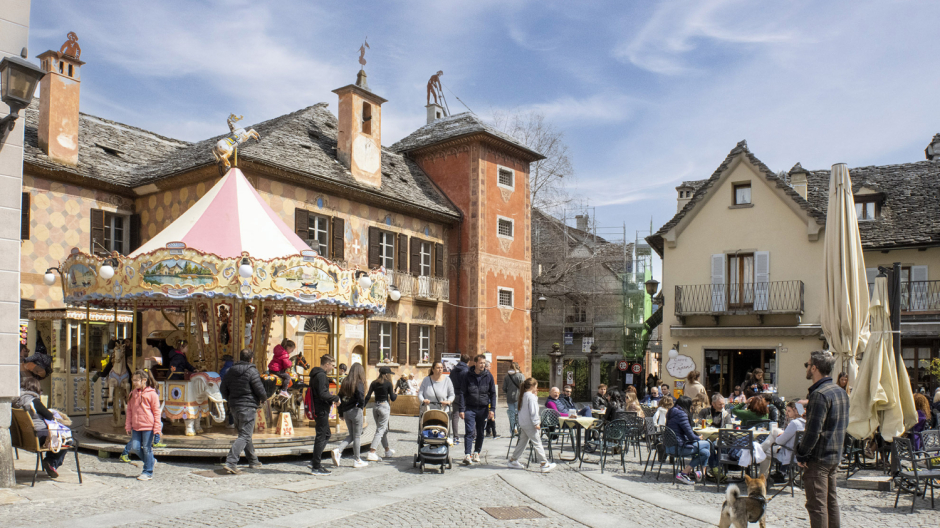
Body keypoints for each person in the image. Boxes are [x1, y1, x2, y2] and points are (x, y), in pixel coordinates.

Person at [795, 351, 849, 528]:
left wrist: (801, 454)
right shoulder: (840, 392)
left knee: (817, 506)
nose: (807, 367)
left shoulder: (819, 394)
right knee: (830, 503)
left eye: (807, 364)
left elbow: (813, 432)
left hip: (819, 458)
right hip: (834, 456)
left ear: (815, 368)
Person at [220, 348, 267, 474]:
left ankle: (253, 460)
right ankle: (231, 462)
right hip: (248, 406)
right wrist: (263, 398)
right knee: (245, 435)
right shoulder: (252, 371)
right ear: (251, 359)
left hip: (234, 406)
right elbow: (260, 389)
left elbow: (223, 388)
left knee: (245, 433)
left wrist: (229, 399)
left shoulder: (230, 371)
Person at [13, 377, 67, 478]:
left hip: (25, 437)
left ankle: (50, 462)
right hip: (38, 436)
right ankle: (51, 462)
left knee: (57, 435)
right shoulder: (34, 401)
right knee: (66, 439)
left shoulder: (15, 401)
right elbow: (49, 416)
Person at [507, 378, 556, 473]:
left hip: (524, 423)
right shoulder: (531, 397)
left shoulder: (523, 395)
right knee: (537, 442)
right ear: (533, 386)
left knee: (522, 442)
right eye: (536, 386)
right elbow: (533, 411)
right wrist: (536, 423)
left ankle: (513, 460)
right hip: (530, 423)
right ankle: (544, 463)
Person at [122, 369, 161, 480]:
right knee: (135, 447)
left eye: (136, 380)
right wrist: (128, 425)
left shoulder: (152, 394)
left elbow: (156, 412)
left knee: (147, 448)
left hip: (148, 426)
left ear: (144, 380)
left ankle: (147, 472)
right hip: (136, 426)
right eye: (133, 380)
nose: (134, 382)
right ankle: (151, 461)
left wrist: (157, 428)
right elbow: (129, 410)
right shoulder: (132, 394)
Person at [458, 354, 496, 465]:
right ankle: (467, 455)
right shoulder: (467, 375)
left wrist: (492, 409)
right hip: (470, 408)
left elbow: (493, 394)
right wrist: (461, 409)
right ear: (475, 363)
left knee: (480, 432)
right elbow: (462, 392)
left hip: (483, 409)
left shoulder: (489, 376)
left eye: (484, 363)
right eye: (480, 363)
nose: (482, 365)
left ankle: (476, 452)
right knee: (469, 432)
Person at [665, 395, 710, 485]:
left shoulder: (671, 412)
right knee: (708, 444)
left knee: (705, 452)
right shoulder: (682, 414)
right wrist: (699, 438)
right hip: (678, 447)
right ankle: (701, 473)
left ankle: (687, 472)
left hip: (669, 446)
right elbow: (691, 436)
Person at [309, 354, 341, 475]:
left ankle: (315, 461)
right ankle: (316, 466)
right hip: (321, 409)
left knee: (327, 434)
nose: (333, 368)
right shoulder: (321, 375)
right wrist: (335, 398)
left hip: (319, 408)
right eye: (332, 365)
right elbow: (322, 394)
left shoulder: (315, 374)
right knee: (321, 436)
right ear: (326, 364)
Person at [332, 363, 367, 468]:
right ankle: (357, 459)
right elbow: (361, 396)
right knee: (357, 436)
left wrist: (341, 412)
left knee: (352, 435)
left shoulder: (345, 381)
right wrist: (361, 406)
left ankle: (338, 450)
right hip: (355, 411)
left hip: (346, 412)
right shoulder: (359, 382)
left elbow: (339, 397)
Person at [763, 401, 806, 483]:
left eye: (789, 411)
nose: (786, 413)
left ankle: (762, 478)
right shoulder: (806, 422)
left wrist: (779, 436)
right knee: (774, 435)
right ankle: (780, 473)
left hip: (790, 453)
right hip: (799, 453)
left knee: (765, 452)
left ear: (796, 411)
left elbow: (780, 441)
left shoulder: (794, 423)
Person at [364, 366, 398, 461]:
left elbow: (368, 396)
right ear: (386, 374)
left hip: (375, 407)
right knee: (380, 430)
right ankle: (372, 452)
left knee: (384, 430)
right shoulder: (388, 384)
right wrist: (396, 393)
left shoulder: (374, 383)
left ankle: (387, 451)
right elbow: (393, 398)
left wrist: (362, 406)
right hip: (384, 407)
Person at [449, 354, 470, 445]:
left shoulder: (453, 370)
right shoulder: (467, 370)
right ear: (468, 361)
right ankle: (471, 434)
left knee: (455, 415)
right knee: (468, 414)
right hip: (464, 394)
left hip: (454, 393)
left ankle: (455, 436)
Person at [484, 360, 499, 438]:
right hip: (488, 398)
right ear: (486, 367)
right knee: (491, 415)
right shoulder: (488, 375)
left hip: (487, 398)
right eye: (489, 366)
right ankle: (493, 432)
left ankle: (488, 431)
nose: (490, 367)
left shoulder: (488, 374)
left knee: (489, 415)